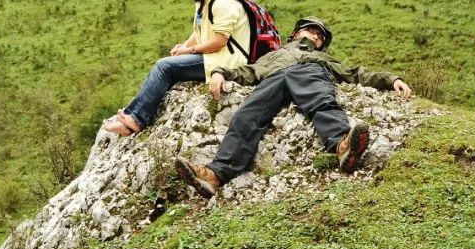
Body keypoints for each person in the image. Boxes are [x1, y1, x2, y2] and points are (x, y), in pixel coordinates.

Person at [175, 16, 412, 198]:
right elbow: (247, 72)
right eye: (311, 30)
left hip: (308, 71)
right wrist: (219, 72)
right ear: (296, 34)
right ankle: (216, 175)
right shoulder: (272, 56)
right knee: (246, 116)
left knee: (320, 100)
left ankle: (344, 146)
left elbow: (355, 73)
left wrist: (392, 80)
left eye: (320, 36)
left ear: (321, 45)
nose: (315, 35)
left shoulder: (324, 59)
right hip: (273, 78)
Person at [102, 0, 258, 136]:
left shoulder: (224, 1)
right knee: (168, 66)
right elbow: (199, 30)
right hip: (213, 55)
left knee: (164, 67)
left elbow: (220, 41)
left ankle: (136, 119)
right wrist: (184, 46)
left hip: (226, 60)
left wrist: (190, 50)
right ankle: (132, 115)